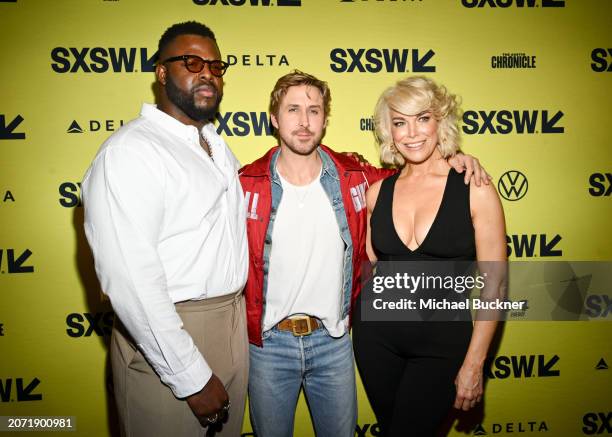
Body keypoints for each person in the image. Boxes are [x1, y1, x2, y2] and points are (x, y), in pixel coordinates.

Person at [238, 70, 490, 437]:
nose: (304, 121)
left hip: (334, 342)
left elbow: (421, 163)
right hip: (269, 346)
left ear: (326, 119)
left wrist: (458, 158)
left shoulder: (355, 177)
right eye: (293, 110)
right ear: (274, 119)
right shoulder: (246, 184)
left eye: (314, 110)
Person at [81, 22, 248, 437]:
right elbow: (131, 280)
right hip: (170, 334)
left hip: (232, 322)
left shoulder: (215, 144)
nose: (207, 72)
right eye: (191, 62)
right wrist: (189, 375)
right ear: (160, 72)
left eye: (215, 64)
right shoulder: (131, 151)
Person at [352, 76, 507, 436]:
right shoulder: (378, 192)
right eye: (399, 122)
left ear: (441, 121)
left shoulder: (475, 188)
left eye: (423, 118)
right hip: (376, 341)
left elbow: (494, 287)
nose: (412, 133)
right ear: (388, 131)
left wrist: (475, 362)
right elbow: (373, 266)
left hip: (442, 344)